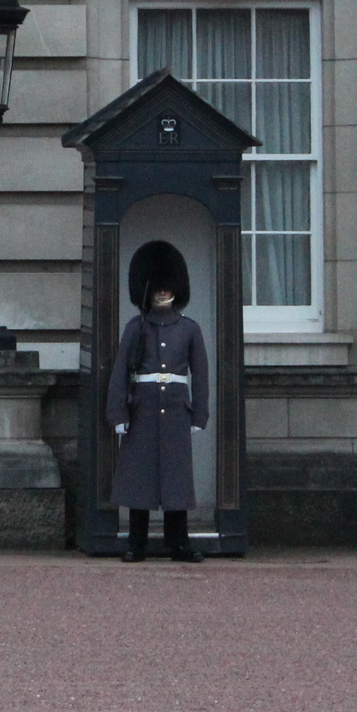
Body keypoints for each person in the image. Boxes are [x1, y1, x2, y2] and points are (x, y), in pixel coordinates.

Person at [105, 240, 209, 563]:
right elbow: (120, 370)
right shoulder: (136, 328)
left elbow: (201, 375)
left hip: (177, 410)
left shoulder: (189, 329)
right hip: (143, 410)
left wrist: (199, 415)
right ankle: (136, 542)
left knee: (177, 480)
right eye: (157, 289)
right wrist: (118, 412)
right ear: (147, 291)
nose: (163, 293)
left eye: (167, 288)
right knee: (140, 478)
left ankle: (178, 541)